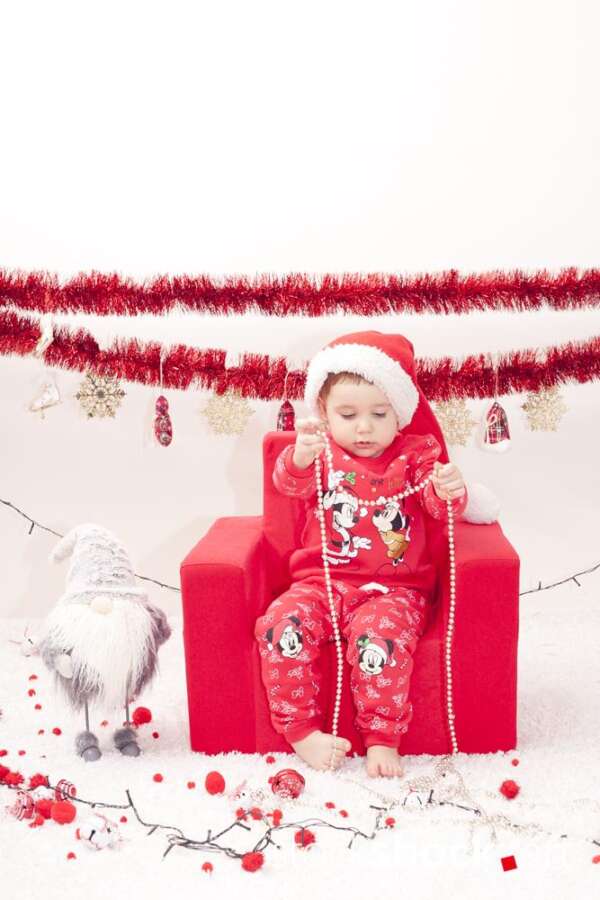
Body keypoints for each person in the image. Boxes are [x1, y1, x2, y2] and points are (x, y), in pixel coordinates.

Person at [254, 331, 469, 778]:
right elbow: (288, 484)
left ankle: (381, 738)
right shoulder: (319, 453)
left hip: (394, 590)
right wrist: (299, 457)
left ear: (400, 413)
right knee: (279, 624)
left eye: (378, 413)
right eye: (348, 415)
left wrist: (448, 489)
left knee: (380, 641)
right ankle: (300, 732)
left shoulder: (415, 456)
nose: (364, 427)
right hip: (322, 583)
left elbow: (439, 505)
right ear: (326, 415)